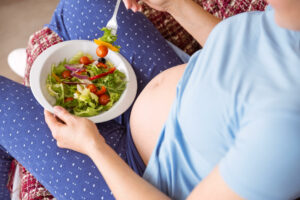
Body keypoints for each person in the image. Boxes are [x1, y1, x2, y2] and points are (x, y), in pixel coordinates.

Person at [1, 0, 300, 200]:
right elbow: (244, 54)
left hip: (136, 177)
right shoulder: (290, 19)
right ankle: (33, 72)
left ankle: (15, 179)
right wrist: (175, 4)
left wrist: (94, 147)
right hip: (177, 87)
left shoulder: (285, 135)